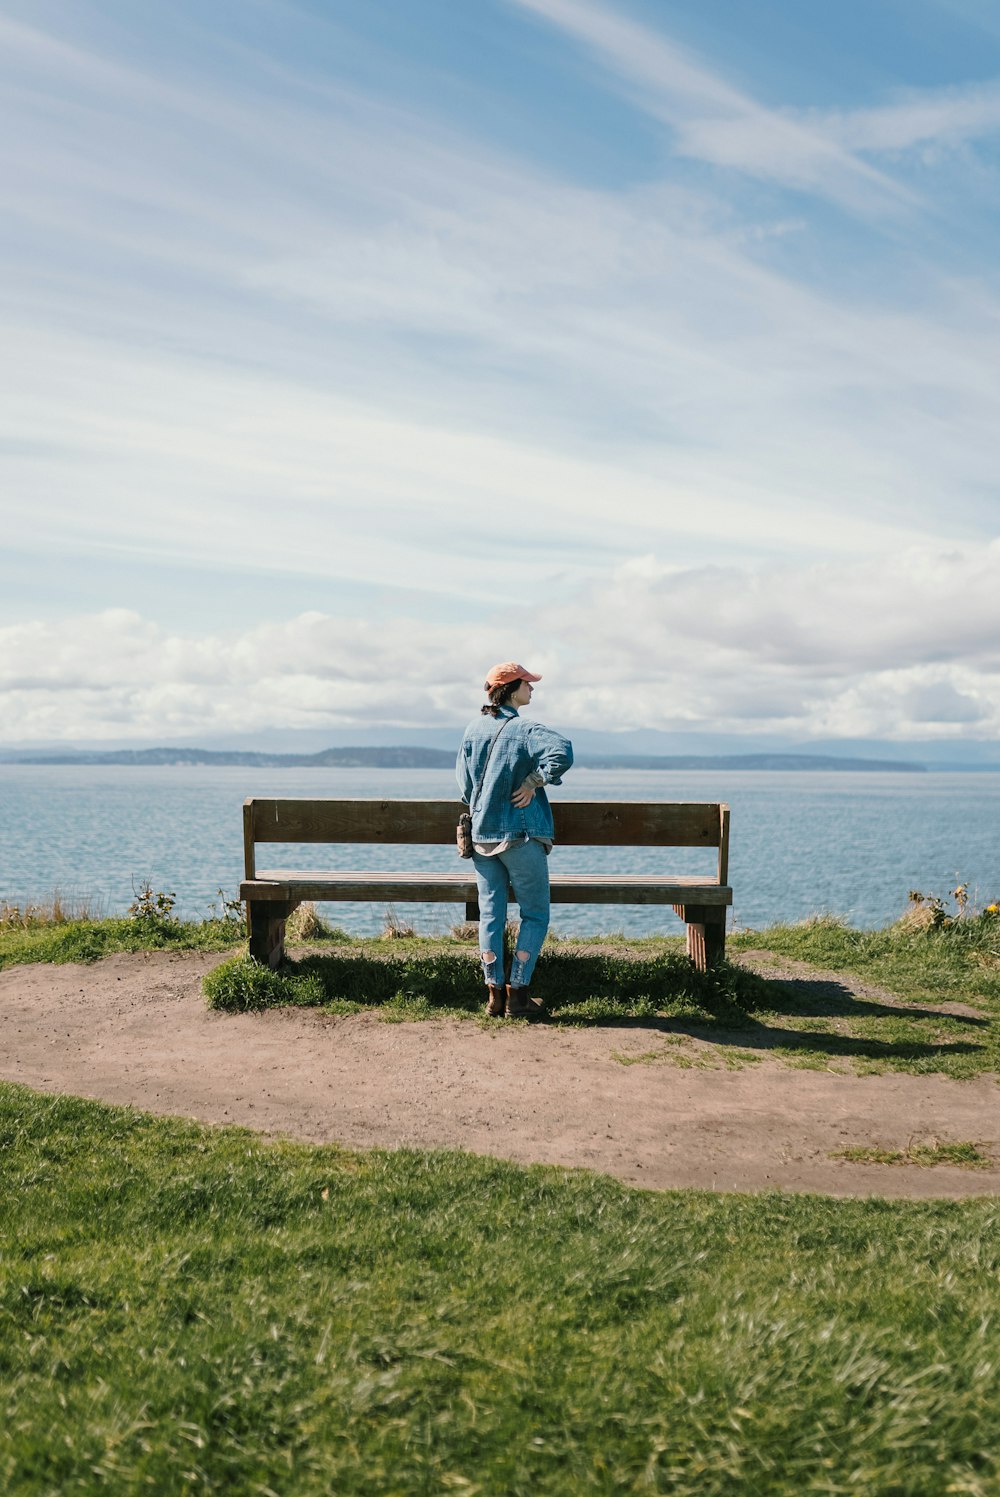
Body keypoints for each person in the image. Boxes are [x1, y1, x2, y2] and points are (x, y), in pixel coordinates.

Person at [456, 661, 573, 1018]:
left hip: (482, 838)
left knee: (491, 913)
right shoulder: (524, 729)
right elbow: (563, 751)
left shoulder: (472, 730)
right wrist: (533, 782)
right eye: (527, 683)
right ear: (509, 689)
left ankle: (494, 994)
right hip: (520, 837)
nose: (532, 689)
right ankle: (518, 994)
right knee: (535, 914)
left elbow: (464, 786)